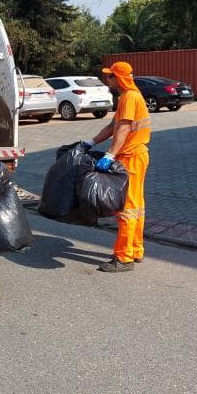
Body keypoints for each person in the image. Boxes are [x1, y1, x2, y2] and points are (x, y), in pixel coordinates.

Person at [80, 61, 151, 272]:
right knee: (136, 205)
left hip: (131, 157)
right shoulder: (129, 97)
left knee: (127, 207)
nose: (106, 79)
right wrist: (91, 142)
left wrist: (110, 154)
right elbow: (113, 126)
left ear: (118, 78)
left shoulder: (129, 97)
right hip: (136, 156)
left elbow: (125, 128)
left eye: (110, 76)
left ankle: (124, 258)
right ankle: (135, 250)